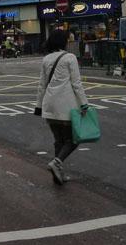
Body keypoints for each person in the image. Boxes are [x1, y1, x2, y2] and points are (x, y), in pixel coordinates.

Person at [35, 29, 89, 185]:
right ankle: (56, 162)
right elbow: (76, 84)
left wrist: (38, 106)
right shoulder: (70, 57)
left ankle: (57, 175)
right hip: (65, 105)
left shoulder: (46, 59)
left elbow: (41, 85)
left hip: (49, 104)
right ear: (63, 42)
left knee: (59, 141)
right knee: (73, 139)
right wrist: (84, 103)